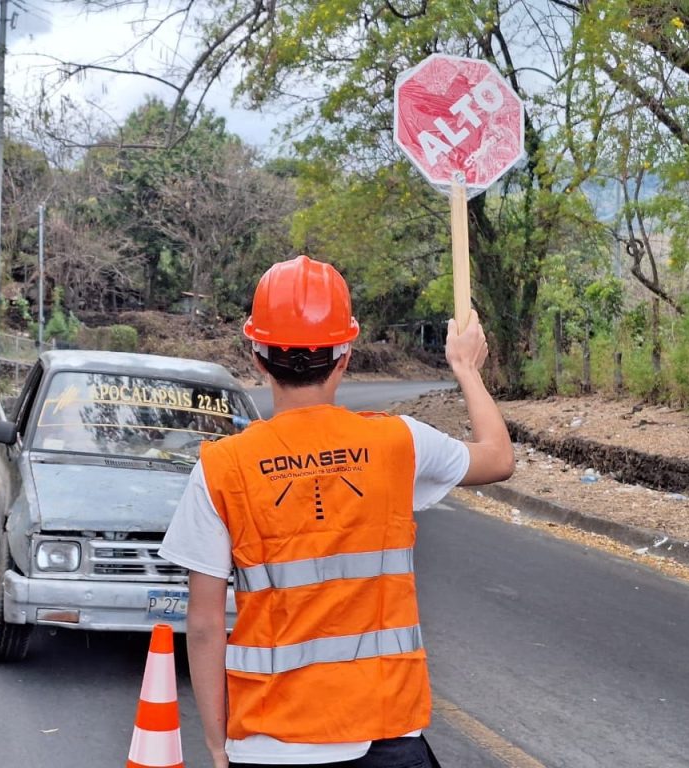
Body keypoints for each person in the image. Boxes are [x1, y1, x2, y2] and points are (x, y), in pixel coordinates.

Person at [158, 255, 515, 768]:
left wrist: (219, 746)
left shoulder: (220, 468)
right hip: (386, 733)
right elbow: (498, 459)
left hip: (269, 741)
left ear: (258, 357)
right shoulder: (398, 442)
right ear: (345, 355)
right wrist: (466, 370)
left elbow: (206, 624)